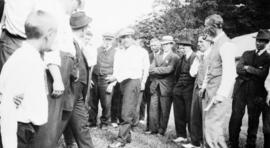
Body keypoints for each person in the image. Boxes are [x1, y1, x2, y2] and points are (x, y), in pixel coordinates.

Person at [0, 10, 58, 148]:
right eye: (55, 36)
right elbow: (9, 107)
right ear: (48, 35)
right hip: (18, 131)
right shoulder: (25, 60)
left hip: (27, 128)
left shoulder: (32, 57)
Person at [106, 28, 150, 148]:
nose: (124, 40)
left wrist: (143, 82)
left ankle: (121, 140)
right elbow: (117, 69)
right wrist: (113, 82)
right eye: (122, 37)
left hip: (132, 81)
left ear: (132, 38)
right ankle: (127, 136)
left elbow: (140, 70)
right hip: (121, 82)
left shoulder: (140, 52)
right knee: (121, 110)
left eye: (127, 37)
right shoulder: (119, 52)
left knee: (126, 111)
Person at [229, 29, 270, 148]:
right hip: (240, 89)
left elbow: (263, 74)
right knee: (236, 117)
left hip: (257, 93)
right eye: (257, 40)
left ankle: (250, 144)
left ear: (266, 43)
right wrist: (254, 70)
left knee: (253, 119)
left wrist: (248, 68)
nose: (258, 43)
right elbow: (238, 69)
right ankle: (233, 142)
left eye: (262, 41)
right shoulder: (246, 53)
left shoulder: (268, 58)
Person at [202, 14, 237, 148]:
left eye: (207, 27)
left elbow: (230, 73)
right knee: (212, 127)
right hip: (211, 90)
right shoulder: (216, 43)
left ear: (214, 27)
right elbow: (211, 68)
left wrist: (221, 95)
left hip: (218, 92)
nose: (205, 30)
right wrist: (205, 86)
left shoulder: (226, 44)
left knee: (212, 125)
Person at [62, 11, 94, 148]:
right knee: (56, 127)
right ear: (83, 28)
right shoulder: (68, 42)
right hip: (69, 93)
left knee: (82, 125)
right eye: (87, 26)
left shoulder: (79, 43)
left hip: (77, 94)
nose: (88, 29)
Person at [182, 35, 213, 148]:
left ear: (210, 42)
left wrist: (204, 87)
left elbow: (211, 74)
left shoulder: (213, 55)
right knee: (194, 115)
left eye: (202, 42)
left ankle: (206, 144)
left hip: (209, 89)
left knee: (206, 117)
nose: (199, 44)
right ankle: (195, 142)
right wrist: (198, 60)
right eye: (198, 42)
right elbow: (192, 73)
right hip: (197, 87)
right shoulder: (199, 56)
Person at [148, 35, 179, 135]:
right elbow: (150, 69)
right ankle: (153, 129)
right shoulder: (157, 56)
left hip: (166, 87)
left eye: (167, 44)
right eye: (163, 44)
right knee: (153, 108)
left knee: (165, 110)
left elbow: (169, 70)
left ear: (171, 44)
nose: (165, 46)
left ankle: (161, 131)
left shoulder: (175, 57)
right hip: (155, 85)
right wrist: (158, 71)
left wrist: (156, 70)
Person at [88, 32, 117, 128]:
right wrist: (90, 78)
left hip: (107, 80)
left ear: (112, 41)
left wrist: (112, 83)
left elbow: (119, 69)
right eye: (105, 39)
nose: (107, 42)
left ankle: (104, 122)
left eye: (109, 40)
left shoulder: (116, 52)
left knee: (106, 103)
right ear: (103, 40)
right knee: (93, 102)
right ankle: (92, 121)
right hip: (95, 78)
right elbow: (91, 64)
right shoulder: (97, 50)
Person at [172, 38, 197, 143]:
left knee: (189, 113)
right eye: (180, 46)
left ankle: (193, 136)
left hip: (189, 89)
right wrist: (177, 86)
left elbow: (195, 74)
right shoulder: (181, 58)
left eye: (183, 46)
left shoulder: (195, 57)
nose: (181, 48)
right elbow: (177, 74)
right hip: (179, 88)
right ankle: (181, 135)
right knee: (178, 112)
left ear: (189, 47)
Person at [143, 38, 162, 133]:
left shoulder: (163, 55)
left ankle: (157, 127)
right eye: (152, 45)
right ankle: (149, 126)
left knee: (157, 106)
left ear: (160, 45)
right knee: (149, 105)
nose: (153, 47)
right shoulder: (148, 56)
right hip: (148, 82)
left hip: (158, 83)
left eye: (155, 45)